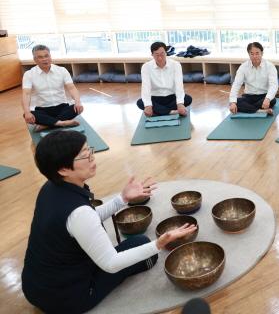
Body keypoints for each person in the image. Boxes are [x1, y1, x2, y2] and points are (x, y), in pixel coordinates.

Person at [21, 130, 197, 313]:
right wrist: (158, 244)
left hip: (35, 287)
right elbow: (110, 263)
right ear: (63, 169)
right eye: (84, 155)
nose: (91, 157)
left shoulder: (50, 188)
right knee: (144, 247)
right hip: (67, 298)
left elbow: (84, 222)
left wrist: (122, 199)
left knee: (133, 245)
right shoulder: (79, 213)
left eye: (89, 150)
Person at [22, 45, 83, 132]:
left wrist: (78, 102)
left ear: (50, 56)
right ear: (35, 59)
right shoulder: (29, 74)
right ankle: (61, 123)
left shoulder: (62, 70)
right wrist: (27, 112)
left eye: (46, 56)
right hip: (43, 110)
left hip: (62, 108)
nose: (44, 59)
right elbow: (26, 94)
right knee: (26, 114)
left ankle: (47, 125)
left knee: (77, 108)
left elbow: (71, 88)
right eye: (40, 57)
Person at [136, 41, 192, 117]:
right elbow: (146, 87)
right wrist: (148, 105)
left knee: (187, 99)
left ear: (166, 53)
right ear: (152, 54)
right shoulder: (146, 67)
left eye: (162, 54)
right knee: (140, 102)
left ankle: (159, 111)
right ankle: (170, 112)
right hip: (155, 98)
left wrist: (180, 103)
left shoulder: (176, 65)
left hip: (171, 97)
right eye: (156, 55)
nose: (160, 58)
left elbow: (179, 85)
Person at [229, 42, 278, 115]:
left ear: (262, 53)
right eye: (252, 54)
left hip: (263, 96)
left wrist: (267, 99)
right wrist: (233, 102)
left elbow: (274, 85)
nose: (254, 56)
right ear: (249, 54)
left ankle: (249, 109)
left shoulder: (270, 66)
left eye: (257, 53)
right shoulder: (243, 67)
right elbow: (236, 84)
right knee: (236, 102)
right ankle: (260, 111)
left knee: (272, 100)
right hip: (249, 96)